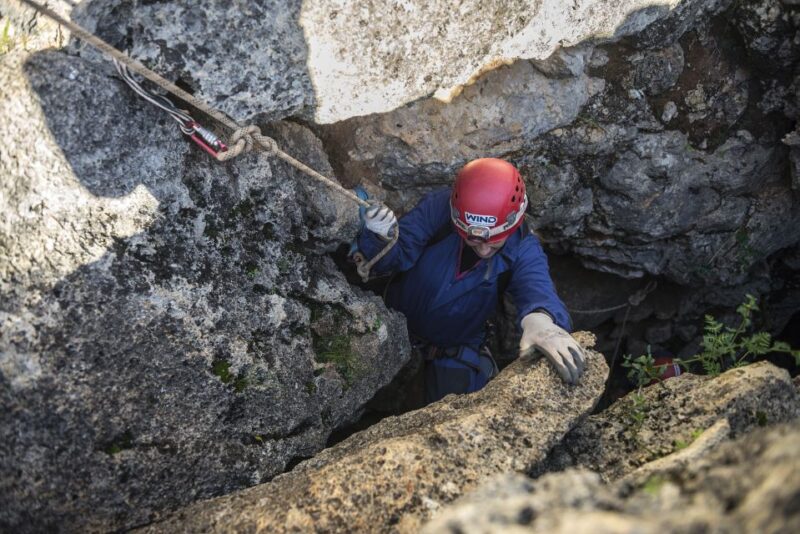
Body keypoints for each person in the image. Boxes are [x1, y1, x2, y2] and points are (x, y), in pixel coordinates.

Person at [356, 158, 585, 403]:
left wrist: (541, 319)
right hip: (393, 322)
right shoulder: (439, 210)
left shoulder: (523, 247)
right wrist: (379, 238)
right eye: (474, 240)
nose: (484, 250)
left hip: (454, 348)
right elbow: (393, 258)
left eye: (494, 241)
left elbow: (536, 287)